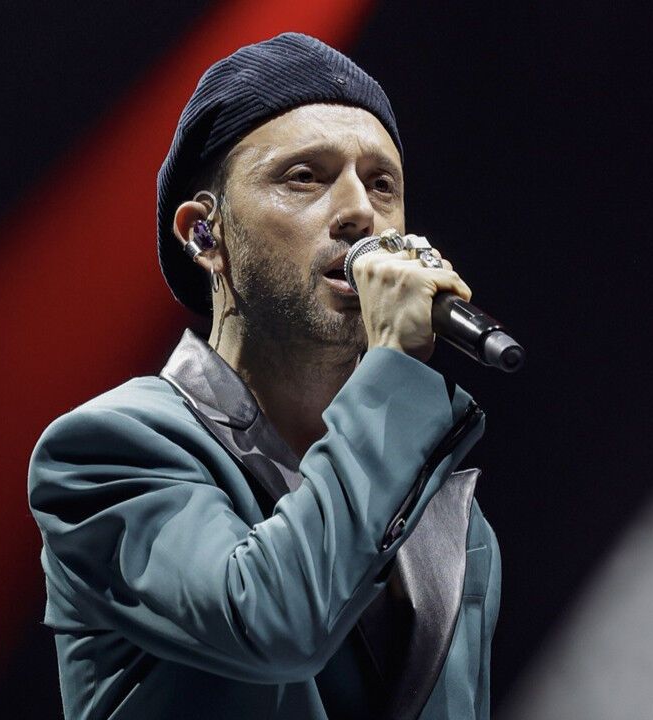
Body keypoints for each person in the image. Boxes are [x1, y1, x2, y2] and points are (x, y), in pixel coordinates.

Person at [28, 32, 500, 719]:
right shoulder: (107, 453)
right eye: (305, 176)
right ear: (204, 234)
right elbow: (272, 625)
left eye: (382, 183)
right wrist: (395, 368)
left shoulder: (442, 512)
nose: (361, 213)